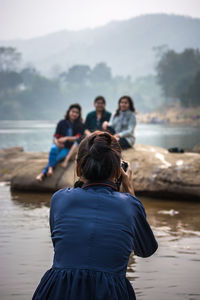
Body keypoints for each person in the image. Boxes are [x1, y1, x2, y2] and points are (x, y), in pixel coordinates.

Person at [33, 131, 158, 300]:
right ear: (118, 171)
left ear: (78, 168)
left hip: (57, 290)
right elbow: (145, 250)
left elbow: (62, 244)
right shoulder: (129, 204)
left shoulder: (59, 199)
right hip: (109, 292)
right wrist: (130, 191)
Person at [36, 103, 84, 181]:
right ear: (69, 112)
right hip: (58, 144)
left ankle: (43, 173)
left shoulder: (80, 125)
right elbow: (55, 136)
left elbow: (78, 138)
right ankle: (50, 169)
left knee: (58, 157)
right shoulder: (62, 123)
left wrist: (66, 138)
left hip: (68, 148)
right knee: (53, 149)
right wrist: (57, 143)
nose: (74, 114)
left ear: (79, 114)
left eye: (77, 112)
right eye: (73, 111)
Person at [61, 96, 111, 168]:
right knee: (79, 140)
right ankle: (66, 159)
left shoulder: (108, 115)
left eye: (102, 103)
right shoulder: (90, 115)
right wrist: (90, 134)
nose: (100, 105)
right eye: (98, 103)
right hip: (90, 135)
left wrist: (99, 134)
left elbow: (110, 128)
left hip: (102, 136)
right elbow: (85, 128)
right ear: (94, 104)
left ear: (105, 104)